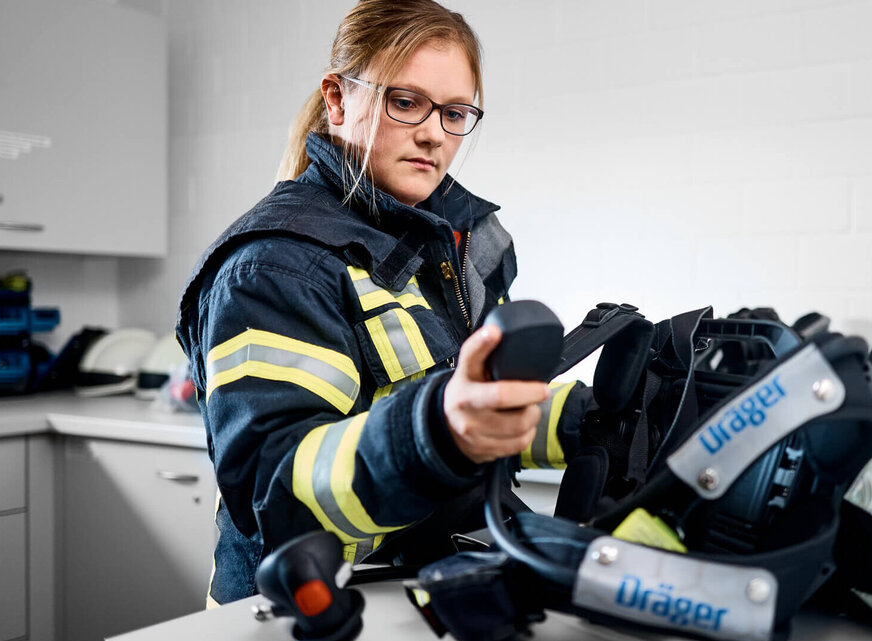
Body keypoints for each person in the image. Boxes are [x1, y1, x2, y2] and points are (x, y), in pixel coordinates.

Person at [175, 0, 592, 606]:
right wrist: (435, 434)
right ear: (338, 100)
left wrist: (593, 417)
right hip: (302, 607)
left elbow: (464, 406)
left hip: (416, 587)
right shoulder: (275, 266)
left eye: (454, 112)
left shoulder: (452, 243)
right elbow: (278, 489)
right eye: (405, 102)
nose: (433, 133)